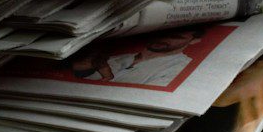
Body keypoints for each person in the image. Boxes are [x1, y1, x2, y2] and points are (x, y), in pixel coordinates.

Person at [72, 29, 205, 87]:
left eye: (175, 37)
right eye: (161, 33)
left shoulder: (181, 69)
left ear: (194, 40)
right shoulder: (118, 57)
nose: (162, 39)